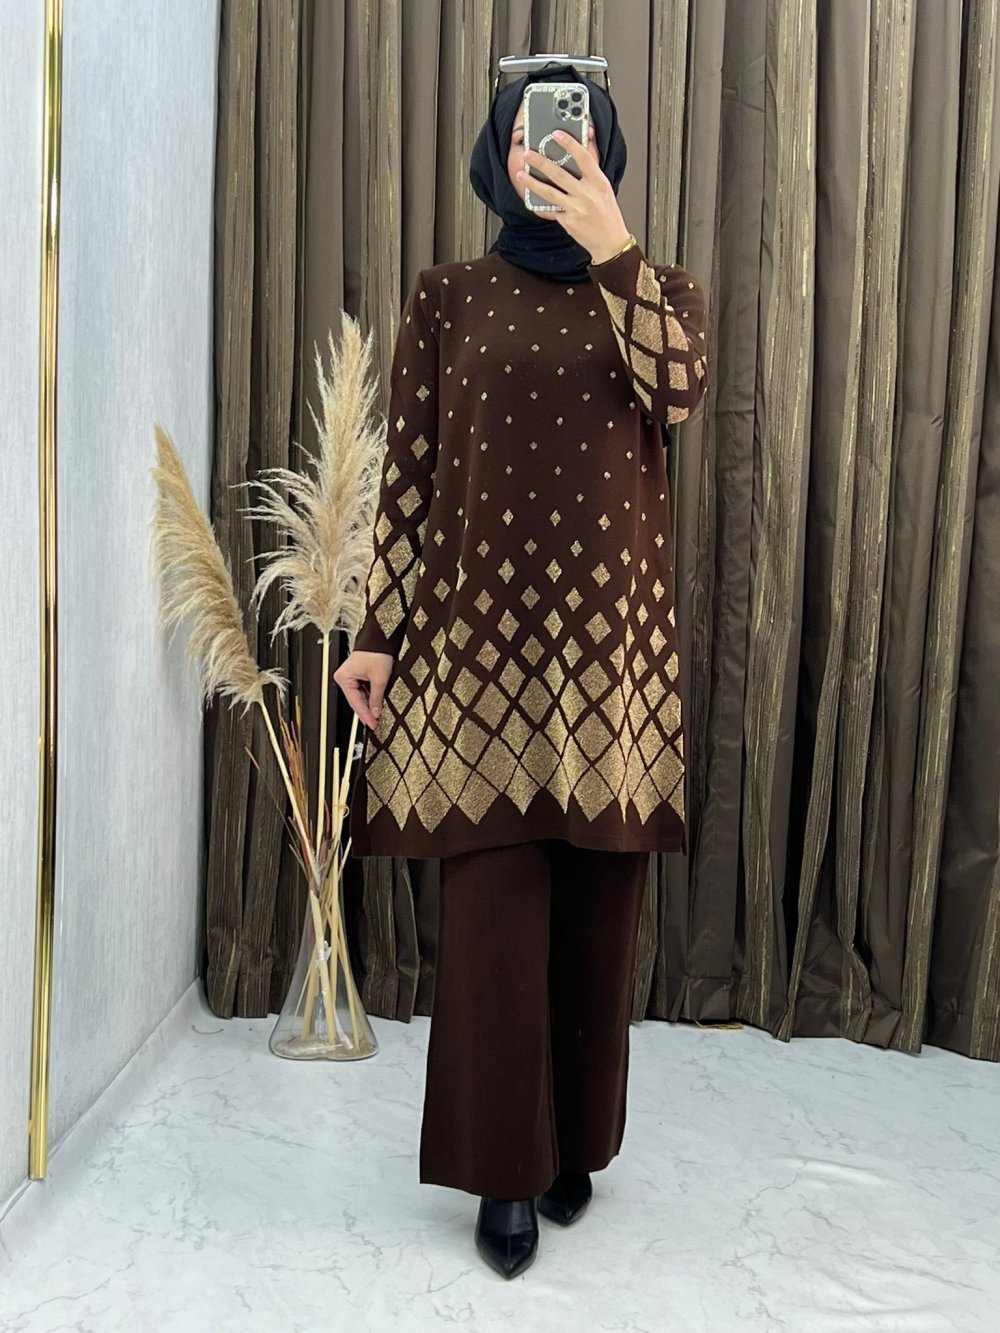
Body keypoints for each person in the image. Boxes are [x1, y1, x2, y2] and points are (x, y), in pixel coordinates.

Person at [334, 61, 708, 1280]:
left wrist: (613, 248)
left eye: (573, 134)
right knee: (493, 921)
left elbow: (676, 395)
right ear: (496, 152)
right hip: (476, 656)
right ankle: (502, 1168)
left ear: (604, 149)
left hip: (609, 662)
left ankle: (571, 1149)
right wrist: (376, 633)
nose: (550, 151)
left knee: (597, 921)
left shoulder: (658, 290)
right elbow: (409, 470)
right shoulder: (446, 297)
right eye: (530, 135)